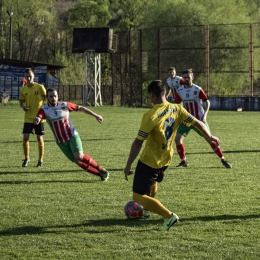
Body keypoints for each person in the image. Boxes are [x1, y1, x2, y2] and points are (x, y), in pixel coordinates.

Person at [124, 80, 220, 231]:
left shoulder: (150, 115)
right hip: (167, 157)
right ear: (167, 93)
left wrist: (128, 164)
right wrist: (211, 136)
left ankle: (169, 216)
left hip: (150, 160)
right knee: (153, 181)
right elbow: (198, 123)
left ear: (152, 95)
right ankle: (149, 209)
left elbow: (138, 142)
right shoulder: (177, 108)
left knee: (137, 197)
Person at [33, 88, 109, 181]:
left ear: (58, 96)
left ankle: (101, 169)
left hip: (72, 135)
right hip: (60, 141)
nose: (53, 98)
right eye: (51, 96)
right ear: (47, 98)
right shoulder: (44, 109)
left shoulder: (64, 105)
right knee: (77, 161)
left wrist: (96, 115)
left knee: (79, 156)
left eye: (55, 96)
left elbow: (80, 108)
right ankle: (100, 175)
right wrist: (37, 120)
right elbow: (39, 117)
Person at [174, 69, 232, 168]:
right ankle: (184, 161)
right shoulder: (180, 90)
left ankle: (223, 159)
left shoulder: (197, 89)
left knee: (210, 139)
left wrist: (205, 115)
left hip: (198, 120)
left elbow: (207, 101)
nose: (187, 79)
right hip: (186, 119)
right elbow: (177, 103)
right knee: (178, 139)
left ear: (192, 77)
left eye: (188, 77)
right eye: (185, 77)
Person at [19, 68, 46, 167]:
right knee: (25, 137)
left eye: (30, 76)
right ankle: (26, 158)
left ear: (34, 76)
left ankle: (40, 160)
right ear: (24, 77)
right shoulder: (23, 90)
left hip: (39, 117)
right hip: (28, 117)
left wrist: (45, 111)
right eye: (27, 76)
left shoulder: (40, 87)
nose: (29, 78)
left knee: (39, 138)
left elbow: (47, 98)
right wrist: (23, 107)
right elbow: (21, 103)